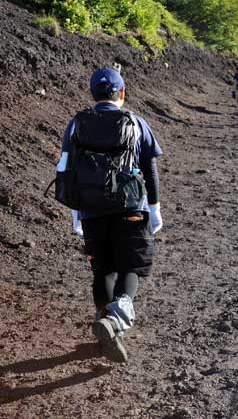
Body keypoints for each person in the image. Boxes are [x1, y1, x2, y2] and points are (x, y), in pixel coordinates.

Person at [55, 67, 163, 363]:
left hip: (91, 209)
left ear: (93, 94)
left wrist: (76, 211)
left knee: (102, 269)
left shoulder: (77, 125)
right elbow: (150, 170)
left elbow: (65, 168)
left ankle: (104, 319)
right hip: (131, 207)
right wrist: (153, 208)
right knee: (132, 266)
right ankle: (115, 322)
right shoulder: (137, 122)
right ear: (122, 93)